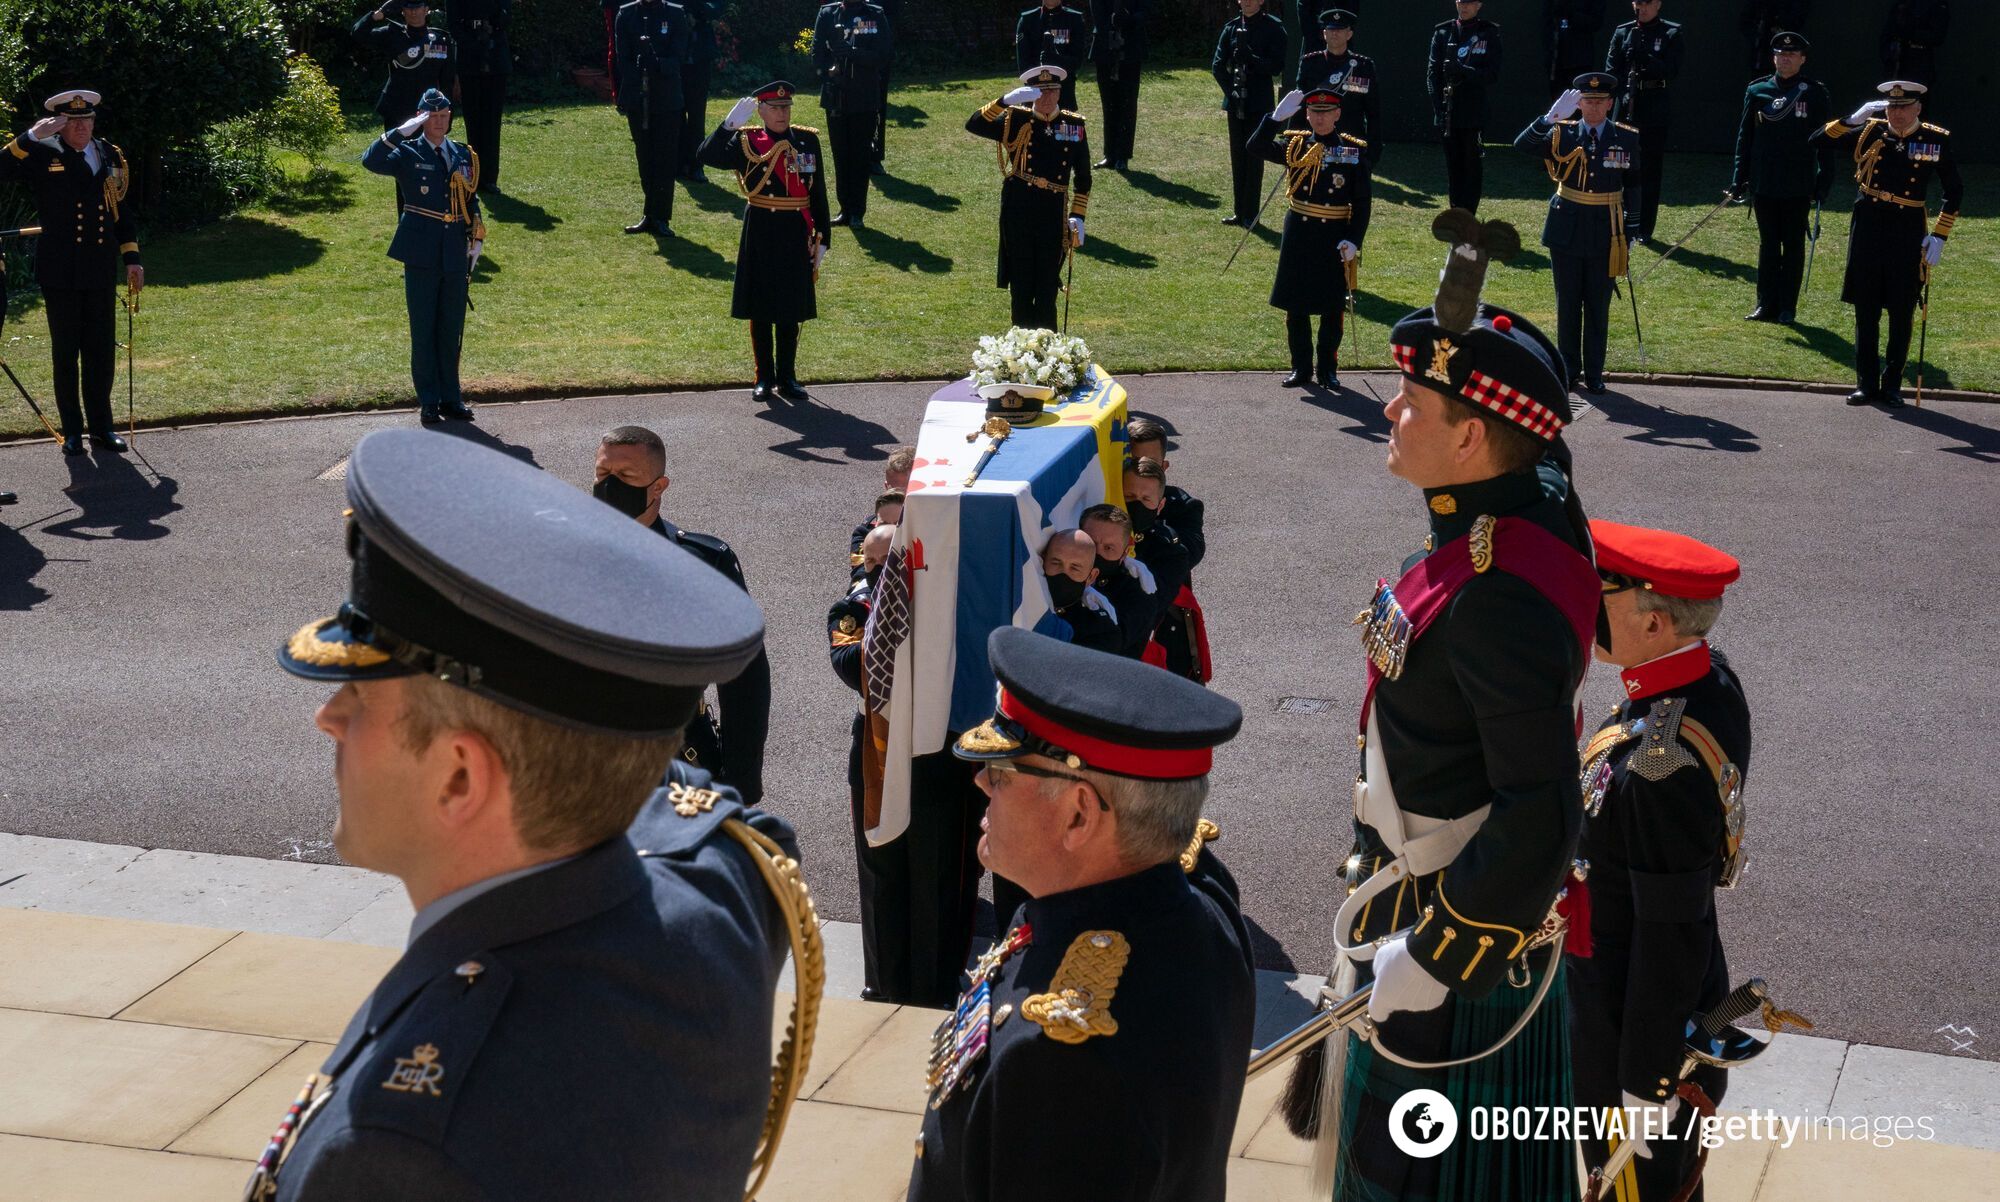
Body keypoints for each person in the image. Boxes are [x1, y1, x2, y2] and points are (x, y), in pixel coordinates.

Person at [255, 427, 801, 1201]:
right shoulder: (724, 884)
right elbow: (715, 819)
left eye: (360, 698)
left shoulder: (390, 1156)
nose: (329, 717)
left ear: (459, 777)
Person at [1302, 232, 1600, 1202]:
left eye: (1412, 403)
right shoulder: (1516, 503)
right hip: (1417, 900)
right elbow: (1544, 444)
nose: (1388, 410)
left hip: (1452, 938)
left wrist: (1435, 956)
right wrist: (1462, 313)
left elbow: (1540, 809)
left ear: (1470, 439)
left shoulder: (1498, 595)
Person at [909, 625, 1254, 1202]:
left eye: (1000, 774)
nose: (979, 782)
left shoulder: (1061, 1061)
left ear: (1079, 816)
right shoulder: (1200, 898)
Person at [1571, 519, 1749, 1202]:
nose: (1588, 604)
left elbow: (1670, 932)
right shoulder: (1705, 681)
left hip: (1633, 1033)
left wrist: (1645, 1080)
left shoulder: (1658, 763)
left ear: (1653, 622)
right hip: (1654, 1009)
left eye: (1603, 591)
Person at [592, 425, 772, 806]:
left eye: (626, 476)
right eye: (604, 474)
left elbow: (744, 679)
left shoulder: (703, 562)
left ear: (658, 487)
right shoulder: (564, 552)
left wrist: (740, 780)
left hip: (676, 757)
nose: (610, 485)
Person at [0, 90, 141, 455]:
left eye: (87, 120)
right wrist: (30, 137)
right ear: (59, 125)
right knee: (66, 353)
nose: (81, 127)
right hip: (60, 269)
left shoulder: (108, 153)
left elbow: (119, 212)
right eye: (73, 122)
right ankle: (73, 430)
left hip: (97, 267)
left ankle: (101, 428)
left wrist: (131, 257)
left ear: (94, 122)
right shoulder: (41, 153)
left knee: (100, 351)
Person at [1811, 80, 1962, 408]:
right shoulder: (1871, 131)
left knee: (1901, 308)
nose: (1896, 113)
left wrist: (1939, 235)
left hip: (1907, 228)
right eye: (1891, 106)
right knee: (1865, 309)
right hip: (1868, 223)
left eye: (1904, 106)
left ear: (1918, 108)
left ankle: (1892, 383)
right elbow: (1816, 140)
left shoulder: (1934, 139)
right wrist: (1853, 119)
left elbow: (1955, 191)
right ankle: (1866, 383)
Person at [698, 82, 832, 402]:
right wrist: (729, 124)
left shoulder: (806, 140)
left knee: (789, 307)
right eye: (774, 108)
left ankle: (787, 376)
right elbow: (705, 156)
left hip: (794, 230)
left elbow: (819, 193)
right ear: (760, 111)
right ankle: (764, 377)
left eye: (786, 108)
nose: (782, 114)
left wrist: (823, 238)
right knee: (760, 307)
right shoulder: (746, 140)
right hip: (760, 227)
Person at [360, 89, 483, 426]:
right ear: (421, 117)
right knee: (424, 327)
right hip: (421, 249)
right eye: (433, 117)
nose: (440, 122)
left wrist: (477, 234)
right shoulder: (407, 151)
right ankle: (429, 400)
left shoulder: (460, 153)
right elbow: (369, 160)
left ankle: (451, 397)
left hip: (455, 249)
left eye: (444, 116)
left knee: (450, 327)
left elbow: (469, 197)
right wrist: (402, 129)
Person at [1517, 71, 1641, 395]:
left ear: (1610, 103)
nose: (1594, 108)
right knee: (1568, 303)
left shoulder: (1625, 138)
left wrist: (1631, 230)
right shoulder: (1563, 133)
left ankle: (1595, 372)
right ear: (1579, 103)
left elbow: (1636, 184)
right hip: (1567, 228)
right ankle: (1569, 369)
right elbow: (1521, 145)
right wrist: (1548, 118)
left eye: (1600, 102)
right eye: (1588, 101)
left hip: (1606, 230)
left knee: (1598, 305)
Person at [1252, 85, 1371, 390]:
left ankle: (1328, 369)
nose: (1320, 119)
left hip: (1333, 234)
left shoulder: (1352, 151)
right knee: (1297, 305)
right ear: (1306, 114)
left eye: (1326, 112)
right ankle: (1301, 367)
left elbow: (1362, 202)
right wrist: (1275, 117)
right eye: (1314, 112)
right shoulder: (1295, 145)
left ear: (1337, 114)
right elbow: (1255, 147)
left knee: (1332, 307)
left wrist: (1354, 240)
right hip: (1300, 233)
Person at [965, 68, 1091, 330]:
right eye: (1040, 93)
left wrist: (1078, 215)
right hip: (1020, 209)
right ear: (1030, 95)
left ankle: (1048, 348)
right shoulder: (1014, 120)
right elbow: (974, 123)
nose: (1046, 99)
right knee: (1021, 283)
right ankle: (1021, 349)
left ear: (1060, 93)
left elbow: (1083, 176)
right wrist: (1003, 101)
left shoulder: (1073, 126)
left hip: (1053, 211)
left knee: (1047, 284)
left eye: (1052, 92)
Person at [831, 522, 895, 997]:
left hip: (926, 746)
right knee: (875, 864)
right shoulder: (851, 609)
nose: (874, 572)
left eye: (884, 563)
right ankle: (880, 981)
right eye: (868, 564)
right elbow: (852, 668)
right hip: (874, 745)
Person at [1731, 31, 1832, 325]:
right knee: (1768, 245)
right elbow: (1745, 137)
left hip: (1797, 182)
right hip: (1765, 181)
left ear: (1802, 59)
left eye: (1791, 55)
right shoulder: (1757, 90)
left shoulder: (1813, 92)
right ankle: (1765, 304)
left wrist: (1823, 181)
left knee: (1793, 245)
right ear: (1773, 58)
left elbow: (1826, 139)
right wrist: (1740, 176)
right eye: (1780, 54)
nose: (1785, 59)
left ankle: (1787, 306)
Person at [1125, 458, 1210, 682]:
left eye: (1146, 499)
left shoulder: (1170, 551)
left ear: (1160, 505)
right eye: (1129, 497)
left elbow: (1149, 611)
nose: (1137, 505)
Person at [1606, 0, 1683, 242]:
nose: (1643, 8)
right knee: (1616, 165)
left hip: (1654, 106)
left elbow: (1671, 70)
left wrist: (1645, 58)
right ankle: (1615, 220)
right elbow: (1610, 70)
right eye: (1638, 3)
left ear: (1658, 4)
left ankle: (1644, 227)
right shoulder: (1623, 31)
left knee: (1649, 169)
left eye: (1648, 3)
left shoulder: (1670, 32)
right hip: (1626, 105)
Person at [814, 0, 894, 227]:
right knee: (841, 154)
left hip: (864, 96)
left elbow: (884, 54)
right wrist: (829, 69)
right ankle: (844, 208)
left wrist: (854, 53)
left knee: (860, 155)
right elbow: (816, 52)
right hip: (836, 96)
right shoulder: (828, 13)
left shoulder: (875, 14)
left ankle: (857, 210)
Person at [614, 0, 691, 236]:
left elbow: (679, 57)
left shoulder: (675, 15)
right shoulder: (626, 15)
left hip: (667, 100)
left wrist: (658, 64)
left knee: (665, 159)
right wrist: (638, 71)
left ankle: (661, 216)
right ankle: (649, 213)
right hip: (639, 99)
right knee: (645, 157)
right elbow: (622, 58)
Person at [1213, 0, 1288, 227]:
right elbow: (1217, 65)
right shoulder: (1231, 28)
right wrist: (1231, 92)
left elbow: (1276, 66)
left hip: (1259, 102)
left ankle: (1250, 214)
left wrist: (1252, 59)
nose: (1247, 2)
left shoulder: (1273, 28)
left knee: (1254, 156)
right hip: (1236, 103)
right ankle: (1239, 211)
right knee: (1238, 156)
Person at [1427, 0, 1504, 213]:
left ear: (1479, 5)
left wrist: (1464, 70)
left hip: (1473, 109)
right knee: (1454, 165)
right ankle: (1455, 213)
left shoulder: (1488, 33)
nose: (1464, 6)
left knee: (1471, 164)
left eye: (1469, 2)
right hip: (1448, 109)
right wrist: (1438, 109)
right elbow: (1432, 74)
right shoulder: (1443, 32)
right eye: (1461, 1)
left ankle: (1468, 214)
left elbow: (1492, 75)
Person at [352, 2, 456, 132]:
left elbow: (447, 81)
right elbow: (358, 34)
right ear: (403, 11)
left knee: (425, 151)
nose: (413, 12)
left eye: (417, 7)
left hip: (428, 108)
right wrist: (378, 14)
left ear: (426, 10)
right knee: (397, 151)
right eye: (409, 8)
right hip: (397, 107)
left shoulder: (440, 40)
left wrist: (446, 114)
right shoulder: (392, 34)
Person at [1296, 11, 1379, 163]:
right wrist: (1295, 141)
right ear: (1324, 34)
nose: (1335, 34)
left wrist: (1373, 149)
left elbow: (1373, 111)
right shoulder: (1310, 63)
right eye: (1331, 29)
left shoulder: (1363, 66)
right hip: (1315, 141)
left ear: (1349, 34)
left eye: (1340, 30)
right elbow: (1300, 106)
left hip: (1350, 140)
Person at [1124, 418, 1205, 570]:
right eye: (1134, 462)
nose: (1142, 469)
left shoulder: (1183, 506)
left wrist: (1149, 522)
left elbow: (1191, 553)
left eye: (1150, 462)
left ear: (1164, 466)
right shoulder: (1111, 496)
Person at [447, 0, 509, 194]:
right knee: (473, 119)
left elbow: (506, 17)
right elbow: (454, 25)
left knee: (492, 119)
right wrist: (473, 45)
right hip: (469, 57)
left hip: (495, 55)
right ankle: (474, 174)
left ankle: (490, 177)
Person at [1040, 527, 1122, 652]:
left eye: (1074, 568)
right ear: (1043, 560)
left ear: (1091, 576)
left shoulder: (1101, 631)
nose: (1063, 573)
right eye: (1056, 563)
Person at [1089, 0, 1148, 171]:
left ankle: (1123, 156)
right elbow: (1097, 12)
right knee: (1109, 104)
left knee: (1127, 103)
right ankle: (1109, 155)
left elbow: (1146, 10)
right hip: (1105, 49)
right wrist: (1111, 25)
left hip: (1130, 49)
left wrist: (1128, 20)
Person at [678, 0, 725, 180]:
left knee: (697, 113)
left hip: (699, 55)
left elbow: (715, 9)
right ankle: (680, 163)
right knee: (676, 113)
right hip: (677, 53)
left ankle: (696, 165)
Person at [1016, 0, 1090, 112]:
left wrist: (1054, 59)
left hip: (1064, 94)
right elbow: (1023, 65)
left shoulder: (1074, 19)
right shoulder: (1028, 20)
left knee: (1064, 127)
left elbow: (1077, 62)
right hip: (1034, 95)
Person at [1544, 0, 1605, 100]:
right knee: (1557, 103)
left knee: (1578, 101)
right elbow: (1547, 19)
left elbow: (1596, 22)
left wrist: (1571, 14)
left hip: (1579, 60)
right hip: (1556, 61)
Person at [1881, 0, 1948, 90]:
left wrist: (1909, 33)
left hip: (1919, 66)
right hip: (1896, 65)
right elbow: (1888, 32)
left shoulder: (1936, 4)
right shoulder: (1900, 4)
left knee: (1916, 99)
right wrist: (1888, 56)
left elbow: (1937, 36)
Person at [1740, 1, 1809, 74]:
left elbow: (1797, 20)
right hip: (1762, 54)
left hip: (1788, 49)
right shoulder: (1760, 5)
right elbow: (1746, 21)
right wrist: (1759, 35)